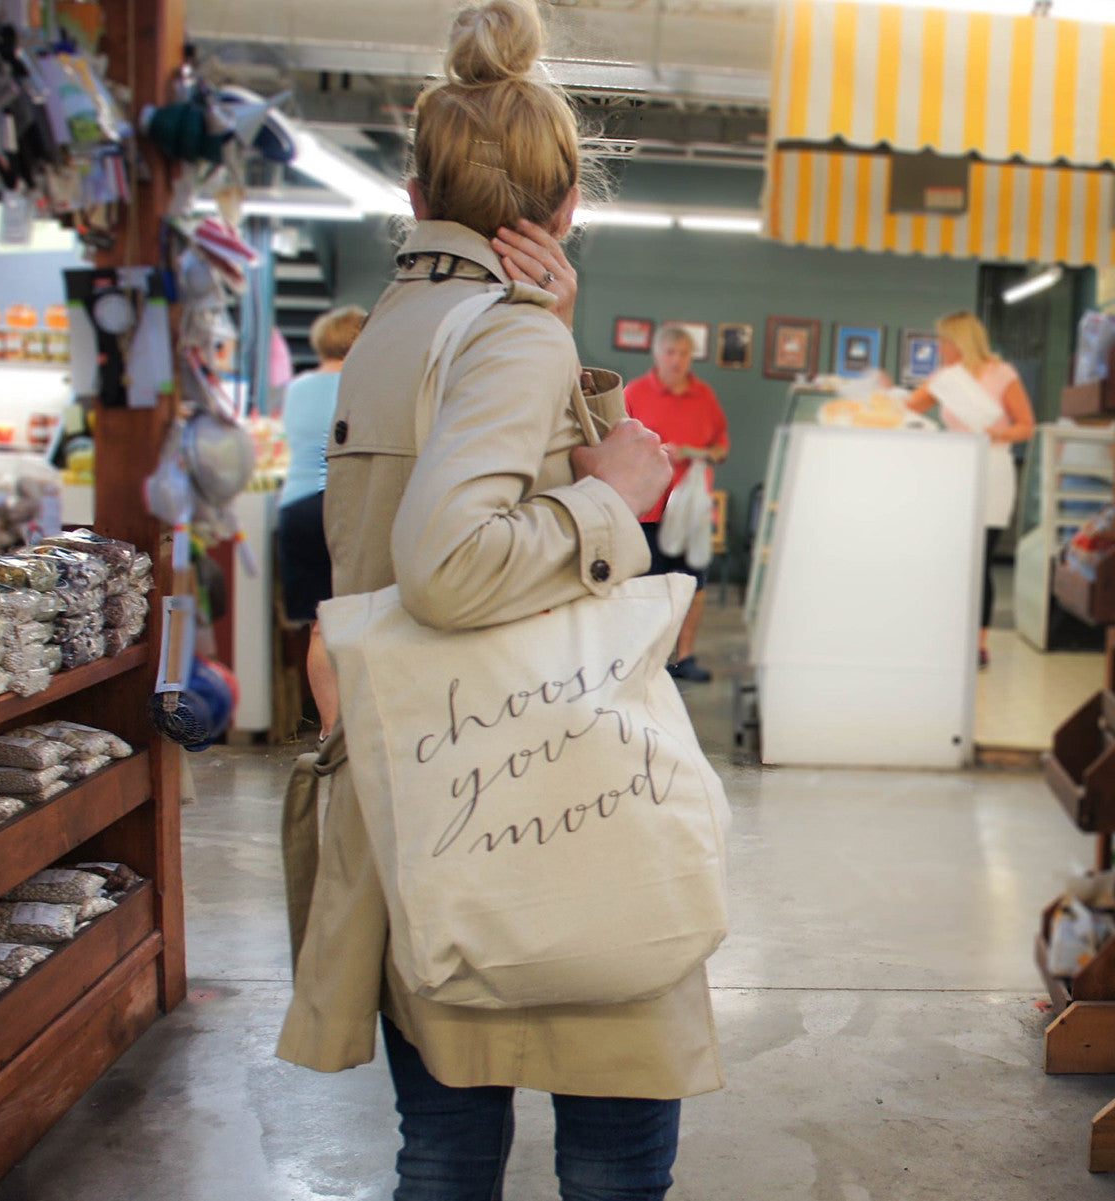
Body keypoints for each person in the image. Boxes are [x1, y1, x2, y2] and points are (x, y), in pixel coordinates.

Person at [277, 2, 725, 1198]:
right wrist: (615, 500)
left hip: (421, 793)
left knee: (447, 1143)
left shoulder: (387, 333)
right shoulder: (507, 341)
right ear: (566, 204)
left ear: (416, 191)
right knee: (618, 1152)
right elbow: (450, 561)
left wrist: (554, 343)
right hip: (550, 796)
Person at [905, 311, 1035, 666]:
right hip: (954, 470)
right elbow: (909, 406)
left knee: (979, 561)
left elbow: (1026, 426)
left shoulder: (1002, 374)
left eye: (944, 341)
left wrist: (997, 434)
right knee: (950, 559)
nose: (939, 347)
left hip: (992, 469)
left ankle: (978, 644)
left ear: (961, 342)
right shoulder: (945, 378)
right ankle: (945, 633)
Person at [276, 304, 366, 734]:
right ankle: (363, 731)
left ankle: (330, 732)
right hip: (341, 506)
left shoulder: (298, 387)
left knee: (319, 628)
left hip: (297, 509)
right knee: (365, 622)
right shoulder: (360, 385)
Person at [624, 323, 730, 683]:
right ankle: (641, 657)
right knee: (646, 586)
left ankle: (684, 657)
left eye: (684, 353)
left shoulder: (704, 397)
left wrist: (693, 452)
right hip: (646, 507)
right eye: (670, 352)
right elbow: (615, 441)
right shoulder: (634, 393)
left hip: (691, 511)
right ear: (657, 354)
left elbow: (721, 450)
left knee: (693, 587)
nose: (677, 360)